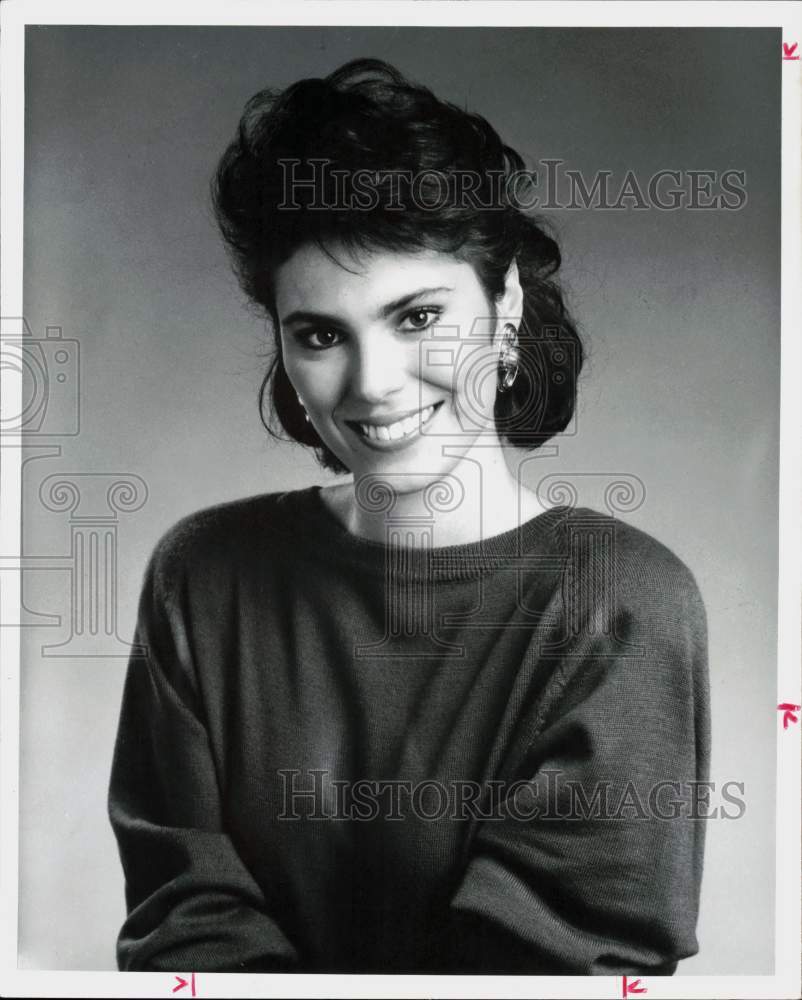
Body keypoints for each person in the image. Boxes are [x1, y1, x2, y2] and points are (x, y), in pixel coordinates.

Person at [107, 59, 711, 975]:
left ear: (503, 306)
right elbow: (184, 916)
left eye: (419, 316)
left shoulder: (621, 602)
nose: (372, 383)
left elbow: (551, 964)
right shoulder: (201, 574)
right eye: (319, 333)